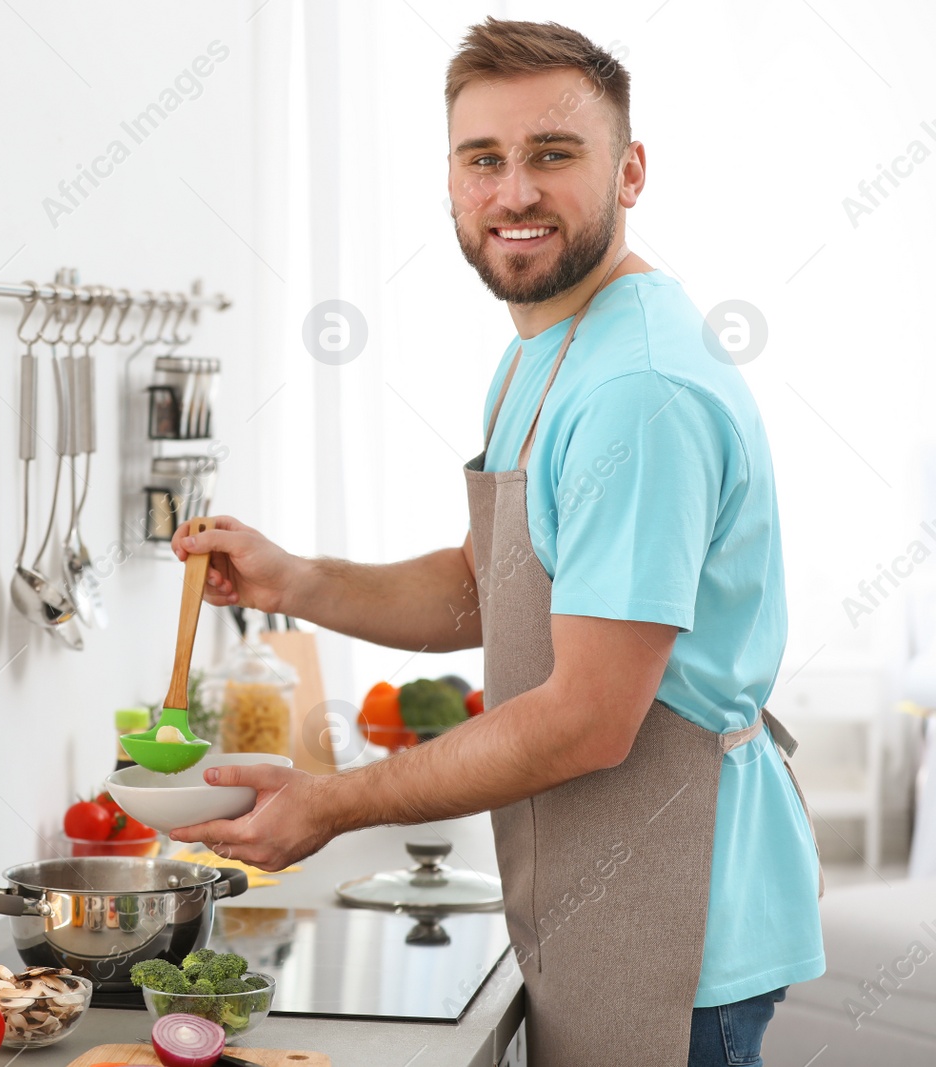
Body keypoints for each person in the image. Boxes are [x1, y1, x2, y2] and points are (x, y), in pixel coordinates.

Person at [168, 18, 823, 1067]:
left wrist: (328, 804)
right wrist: (297, 578)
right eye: (484, 160)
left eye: (552, 156)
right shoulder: (546, 348)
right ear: (452, 180)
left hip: (675, 909)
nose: (513, 192)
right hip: (592, 884)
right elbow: (491, 590)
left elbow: (583, 720)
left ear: (630, 169)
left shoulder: (636, 391)